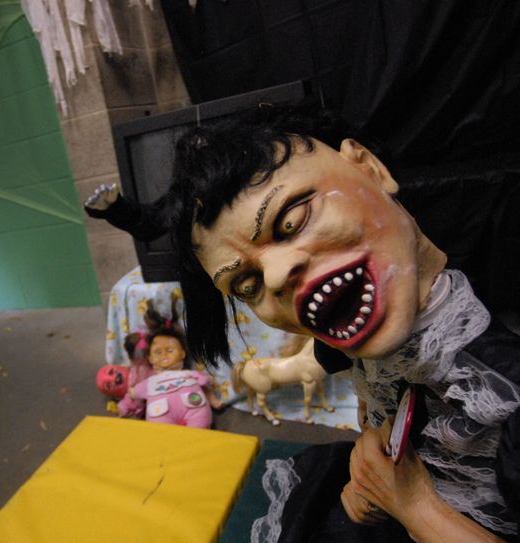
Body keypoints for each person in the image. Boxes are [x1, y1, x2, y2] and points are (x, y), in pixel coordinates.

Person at [164, 103, 520, 542]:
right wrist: (373, 467)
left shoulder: (503, 386)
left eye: (291, 221)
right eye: (247, 285)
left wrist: (416, 507)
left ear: (369, 168)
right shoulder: (347, 340)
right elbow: (371, 402)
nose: (274, 276)